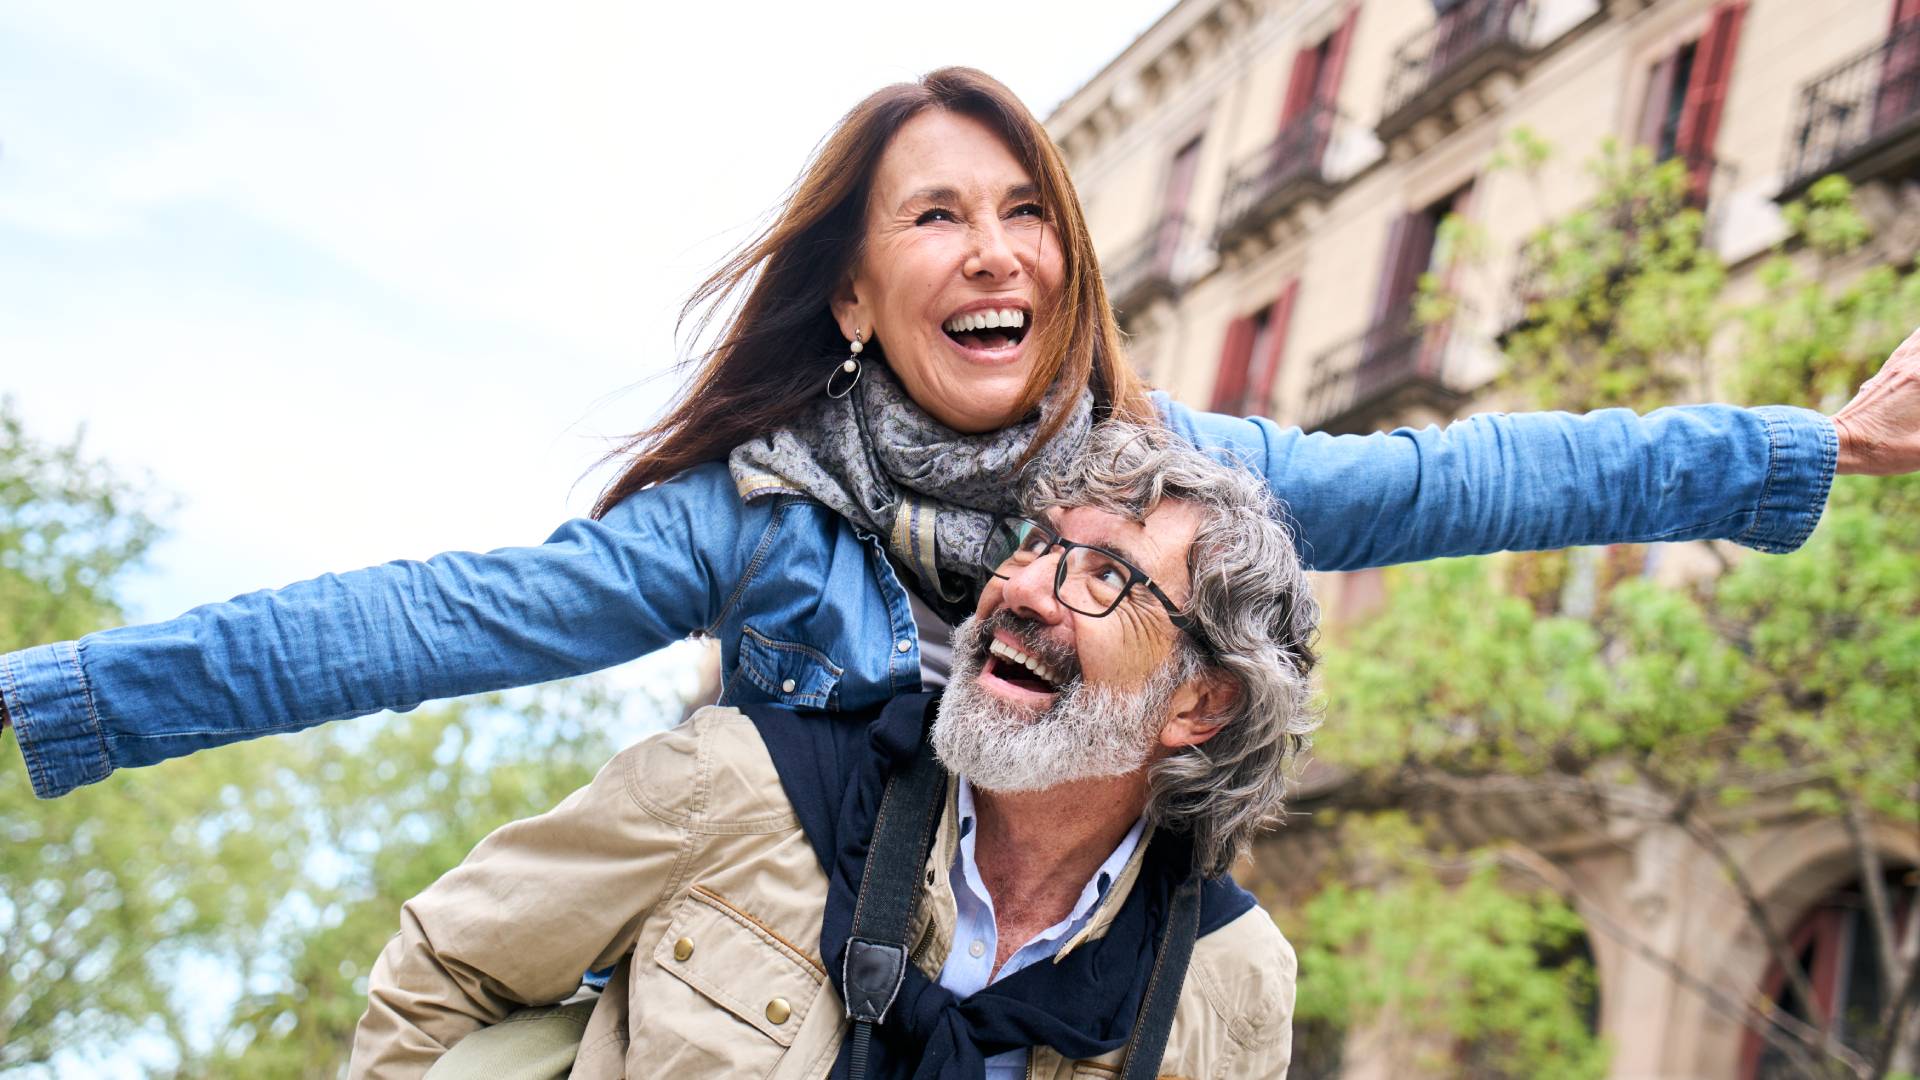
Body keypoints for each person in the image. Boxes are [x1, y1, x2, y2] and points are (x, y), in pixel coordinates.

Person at [3, 67, 1917, 800]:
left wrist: (1807, 449)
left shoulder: (1180, 472)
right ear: (855, 297)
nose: (992, 248)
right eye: (934, 217)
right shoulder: (755, 521)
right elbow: (424, 621)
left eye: (1024, 214)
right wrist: (54, 703)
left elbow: (1481, 472)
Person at [351, 424, 1318, 1080]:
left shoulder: (1232, 979)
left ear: (1202, 701)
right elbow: (443, 969)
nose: (1023, 589)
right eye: (1034, 546)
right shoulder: (737, 784)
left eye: (1106, 575)